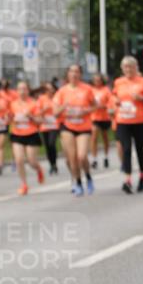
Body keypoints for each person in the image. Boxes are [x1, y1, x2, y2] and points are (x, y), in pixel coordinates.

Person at [52, 64, 97, 196]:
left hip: (83, 126)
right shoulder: (62, 91)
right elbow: (55, 113)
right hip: (67, 127)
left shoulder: (87, 89)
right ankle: (77, 182)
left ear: (80, 74)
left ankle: (88, 177)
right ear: (68, 74)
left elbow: (95, 106)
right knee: (72, 158)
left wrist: (84, 111)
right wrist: (64, 106)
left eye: (77, 72)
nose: (74, 74)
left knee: (81, 156)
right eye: (71, 71)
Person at [112, 55, 143, 193]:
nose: (128, 69)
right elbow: (115, 96)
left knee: (140, 150)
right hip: (123, 120)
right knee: (126, 149)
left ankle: (142, 176)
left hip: (140, 121)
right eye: (125, 67)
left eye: (131, 66)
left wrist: (141, 98)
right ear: (122, 69)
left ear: (136, 67)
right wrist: (115, 101)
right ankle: (127, 180)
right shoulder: (118, 82)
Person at [9, 80, 45, 195]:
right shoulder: (13, 104)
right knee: (19, 159)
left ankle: (38, 168)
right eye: (20, 89)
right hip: (17, 134)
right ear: (17, 91)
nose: (22, 91)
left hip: (31, 134)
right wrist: (12, 120)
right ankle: (24, 184)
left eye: (24, 89)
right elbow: (8, 118)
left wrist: (31, 117)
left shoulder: (34, 103)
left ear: (28, 91)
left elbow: (40, 120)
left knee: (31, 161)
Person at [90, 73, 113, 169]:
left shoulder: (106, 90)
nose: (97, 82)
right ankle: (94, 159)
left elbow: (111, 102)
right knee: (94, 136)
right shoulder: (90, 90)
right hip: (94, 117)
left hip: (105, 117)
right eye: (95, 80)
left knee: (105, 138)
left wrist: (104, 106)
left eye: (99, 80)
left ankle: (106, 156)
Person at [38, 81, 60, 175]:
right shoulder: (42, 99)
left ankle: (54, 163)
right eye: (47, 89)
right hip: (45, 125)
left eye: (51, 89)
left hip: (55, 124)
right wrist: (44, 109)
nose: (50, 91)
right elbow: (38, 112)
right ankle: (51, 165)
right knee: (47, 146)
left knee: (52, 143)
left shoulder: (57, 98)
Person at [0, 83, 12, 176]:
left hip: (2, 124)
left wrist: (8, 116)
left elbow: (10, 110)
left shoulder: (5, 99)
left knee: (0, 145)